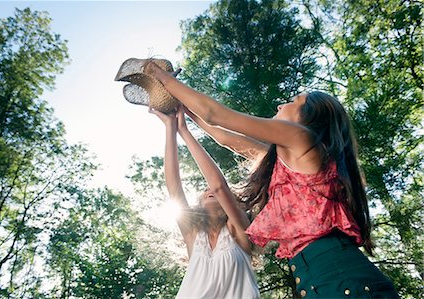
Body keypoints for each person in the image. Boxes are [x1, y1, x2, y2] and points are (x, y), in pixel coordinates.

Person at [146, 61, 400, 298]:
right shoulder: (290, 160)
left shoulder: (302, 137)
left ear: (309, 116)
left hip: (342, 278)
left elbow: (215, 114)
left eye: (292, 102)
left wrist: (161, 76)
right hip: (319, 280)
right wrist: (184, 115)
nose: (281, 106)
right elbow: (225, 138)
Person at [151, 105, 260, 299]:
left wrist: (184, 131)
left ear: (232, 202)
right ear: (199, 203)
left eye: (213, 190)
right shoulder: (193, 236)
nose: (209, 190)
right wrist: (170, 127)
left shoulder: (239, 231)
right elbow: (173, 187)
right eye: (205, 190)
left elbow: (218, 185)